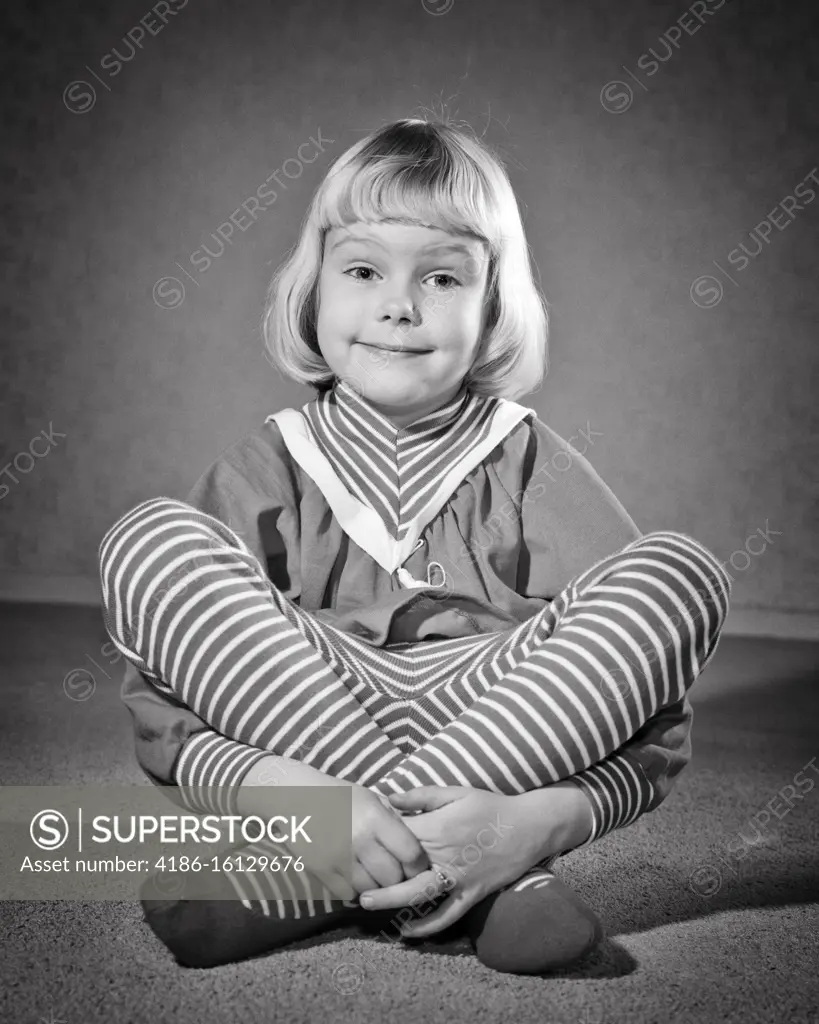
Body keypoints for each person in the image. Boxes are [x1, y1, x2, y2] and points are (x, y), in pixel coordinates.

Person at [98, 117, 730, 974]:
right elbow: (173, 696)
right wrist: (283, 794)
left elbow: (644, 693)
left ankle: (335, 869)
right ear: (313, 289)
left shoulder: (525, 453)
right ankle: (459, 874)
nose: (398, 304)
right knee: (149, 540)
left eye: (440, 276)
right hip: (304, 704)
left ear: (493, 306)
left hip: (503, 716)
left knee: (677, 576)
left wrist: (533, 821)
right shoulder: (270, 458)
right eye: (362, 270)